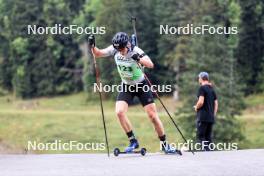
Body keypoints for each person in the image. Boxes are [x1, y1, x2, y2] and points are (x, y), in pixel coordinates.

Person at [88, 32, 179, 153]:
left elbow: (150, 64)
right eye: (117, 48)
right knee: (119, 112)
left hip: (141, 86)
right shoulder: (115, 49)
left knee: (152, 116)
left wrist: (138, 58)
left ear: (126, 45)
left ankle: (164, 144)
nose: (119, 51)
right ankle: (133, 141)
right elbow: (97, 54)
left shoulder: (135, 50)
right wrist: (92, 45)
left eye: (121, 48)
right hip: (127, 86)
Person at [194, 72, 218, 151]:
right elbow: (216, 103)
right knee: (208, 137)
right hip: (211, 117)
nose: (198, 79)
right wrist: (213, 114)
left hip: (203, 117)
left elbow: (201, 102)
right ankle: (211, 154)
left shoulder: (202, 88)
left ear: (201, 78)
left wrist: (196, 107)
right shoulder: (211, 89)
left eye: (199, 78)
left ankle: (206, 154)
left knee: (201, 136)